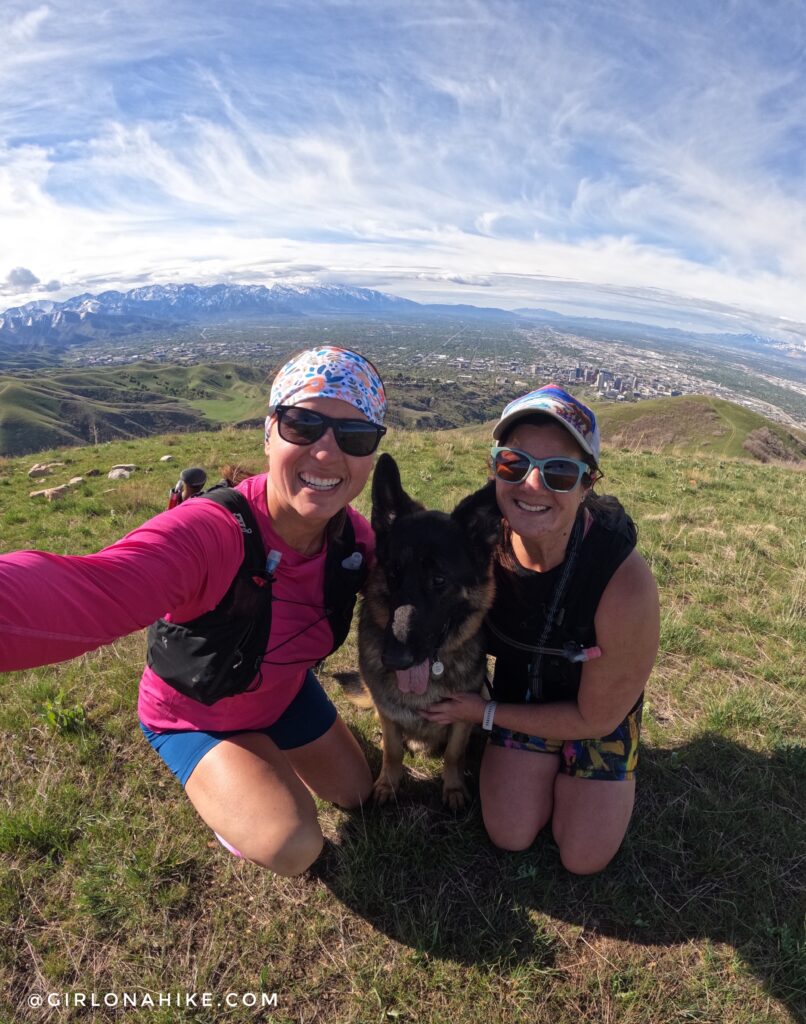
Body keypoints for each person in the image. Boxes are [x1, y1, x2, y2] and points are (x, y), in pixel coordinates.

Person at [0, 346, 388, 876]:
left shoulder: (352, 541)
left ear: (371, 453)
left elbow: (426, 588)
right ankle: (224, 790)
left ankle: (261, 757)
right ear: (269, 431)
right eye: (303, 425)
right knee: (294, 845)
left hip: (285, 692)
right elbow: (88, 589)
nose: (326, 452)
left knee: (360, 795)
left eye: (355, 436)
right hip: (196, 712)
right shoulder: (212, 532)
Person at [421, 385, 659, 874]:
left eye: (559, 472)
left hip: (599, 711)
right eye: (513, 463)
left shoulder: (622, 581)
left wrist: (482, 712)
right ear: (494, 469)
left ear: (587, 484)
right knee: (509, 833)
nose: (531, 484)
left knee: (583, 857)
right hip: (521, 693)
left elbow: (594, 717)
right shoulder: (476, 547)